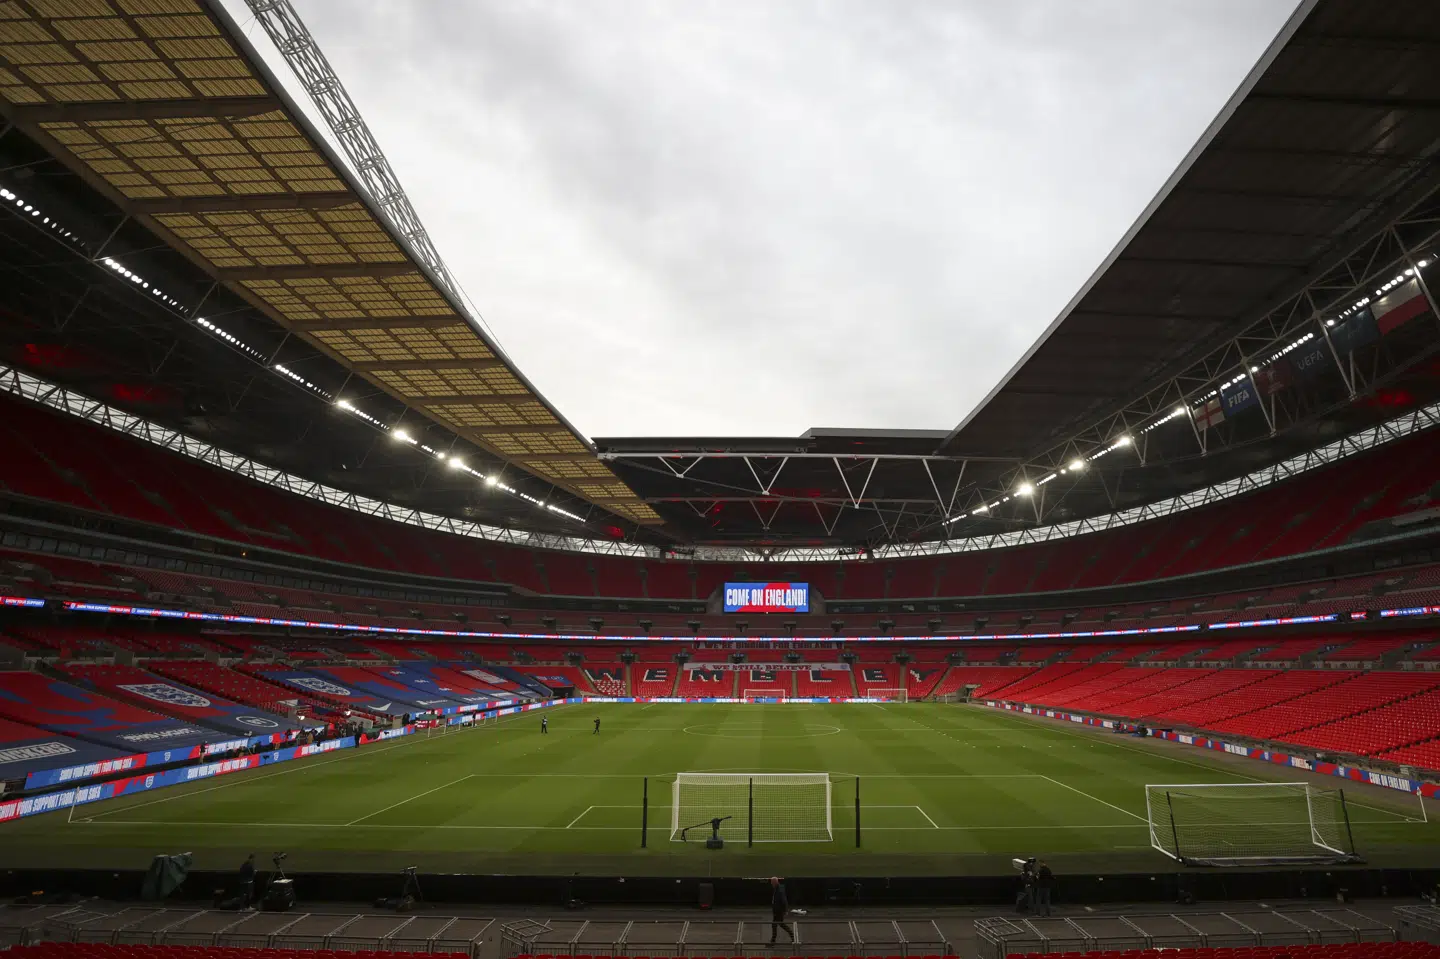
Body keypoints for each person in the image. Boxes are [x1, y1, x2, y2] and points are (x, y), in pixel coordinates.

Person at [769, 876, 794, 944]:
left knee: (778, 924)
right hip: (777, 910)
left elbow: (784, 900)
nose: (771, 884)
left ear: (775, 882)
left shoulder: (779, 889)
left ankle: (792, 936)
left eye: (772, 882)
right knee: (777, 924)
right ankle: (773, 940)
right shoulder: (778, 888)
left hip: (779, 911)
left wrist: (785, 910)